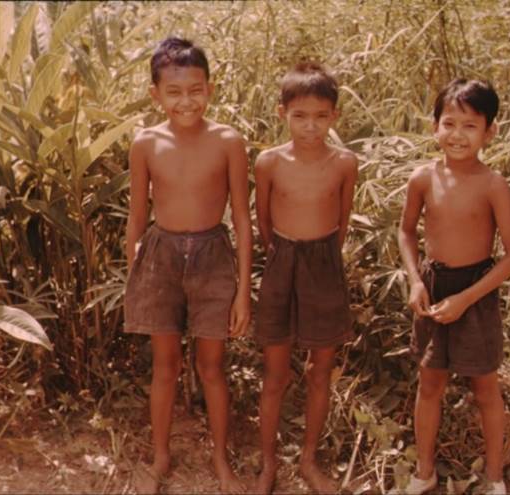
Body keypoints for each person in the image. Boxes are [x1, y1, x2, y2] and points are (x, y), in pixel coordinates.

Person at [123, 36, 252, 494]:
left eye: (195, 89)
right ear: (155, 94)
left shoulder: (228, 141)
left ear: (210, 89)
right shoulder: (145, 143)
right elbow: (138, 215)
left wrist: (242, 290)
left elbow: (240, 216)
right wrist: (134, 270)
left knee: (212, 367)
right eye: (174, 92)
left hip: (213, 256)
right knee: (165, 365)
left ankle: (220, 459)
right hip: (160, 255)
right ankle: (160, 456)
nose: (186, 100)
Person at [398, 78, 510, 495]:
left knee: (485, 387)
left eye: (470, 126)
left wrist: (467, 298)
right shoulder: (422, 178)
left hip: (476, 289)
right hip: (434, 286)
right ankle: (424, 471)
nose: (457, 135)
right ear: (434, 126)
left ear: (490, 132)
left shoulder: (493, 184)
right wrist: (416, 281)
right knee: (429, 382)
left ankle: (493, 476)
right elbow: (405, 233)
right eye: (448, 123)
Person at [253, 62, 358, 494]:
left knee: (320, 370)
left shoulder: (345, 163)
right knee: (275, 374)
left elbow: (343, 219)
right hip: (282, 260)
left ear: (334, 116)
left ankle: (309, 460)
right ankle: (268, 463)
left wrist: (320, 258)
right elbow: (262, 222)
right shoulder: (269, 162)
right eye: (300, 116)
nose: (310, 126)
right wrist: (282, 255)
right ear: (283, 114)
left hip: (324, 264)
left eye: (320, 116)